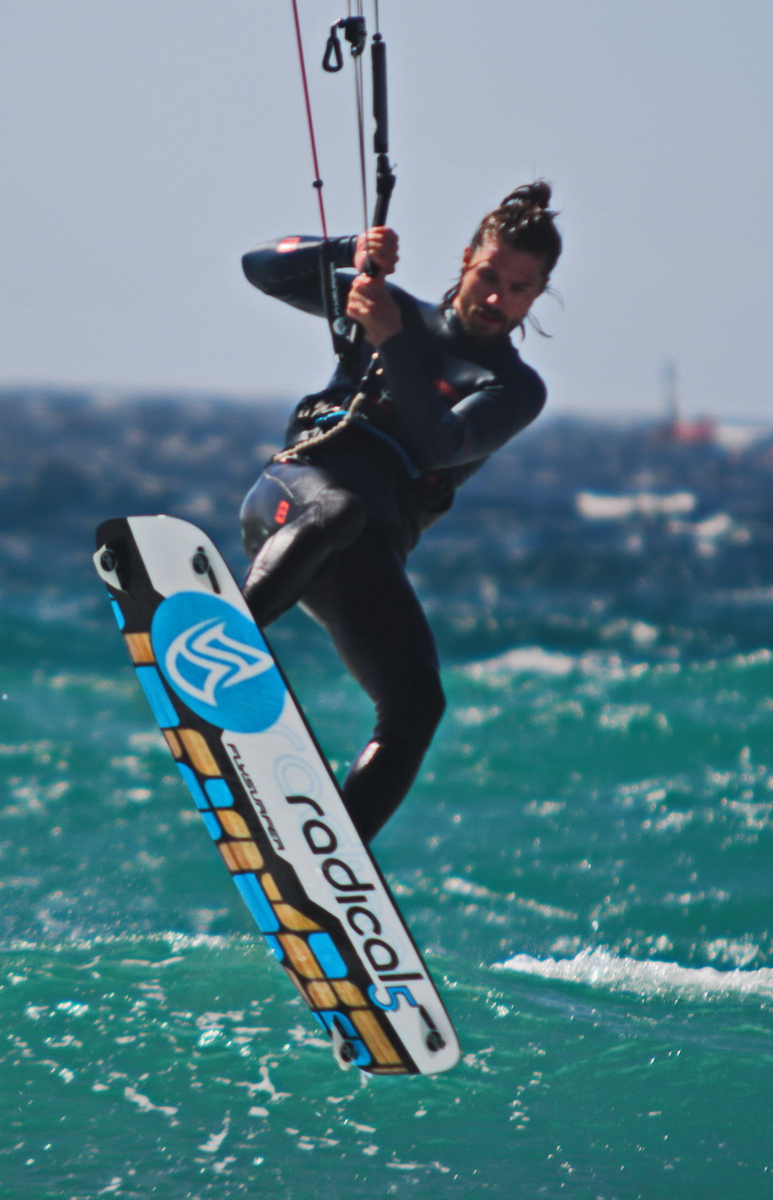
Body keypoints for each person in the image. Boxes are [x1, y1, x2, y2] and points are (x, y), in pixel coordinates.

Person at [239, 182, 562, 844]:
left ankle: (335, 867)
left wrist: (387, 339)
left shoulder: (515, 389)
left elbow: (439, 443)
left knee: (418, 705)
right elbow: (259, 267)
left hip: (368, 545)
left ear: (538, 294)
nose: (498, 298)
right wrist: (347, 250)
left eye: (519, 288)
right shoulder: (388, 304)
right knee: (339, 508)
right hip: (295, 498)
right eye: (489, 276)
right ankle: (226, 644)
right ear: (467, 259)